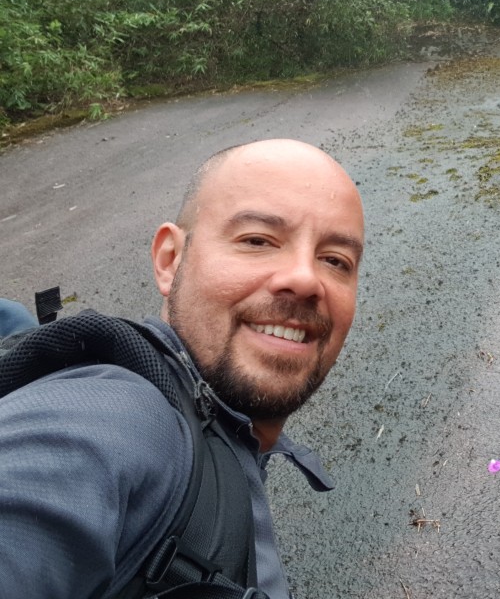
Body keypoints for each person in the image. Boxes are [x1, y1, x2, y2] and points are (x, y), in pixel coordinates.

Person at [0, 138, 365, 599]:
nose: (305, 278)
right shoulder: (113, 419)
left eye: (336, 260)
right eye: (256, 240)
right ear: (170, 260)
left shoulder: (226, 426)